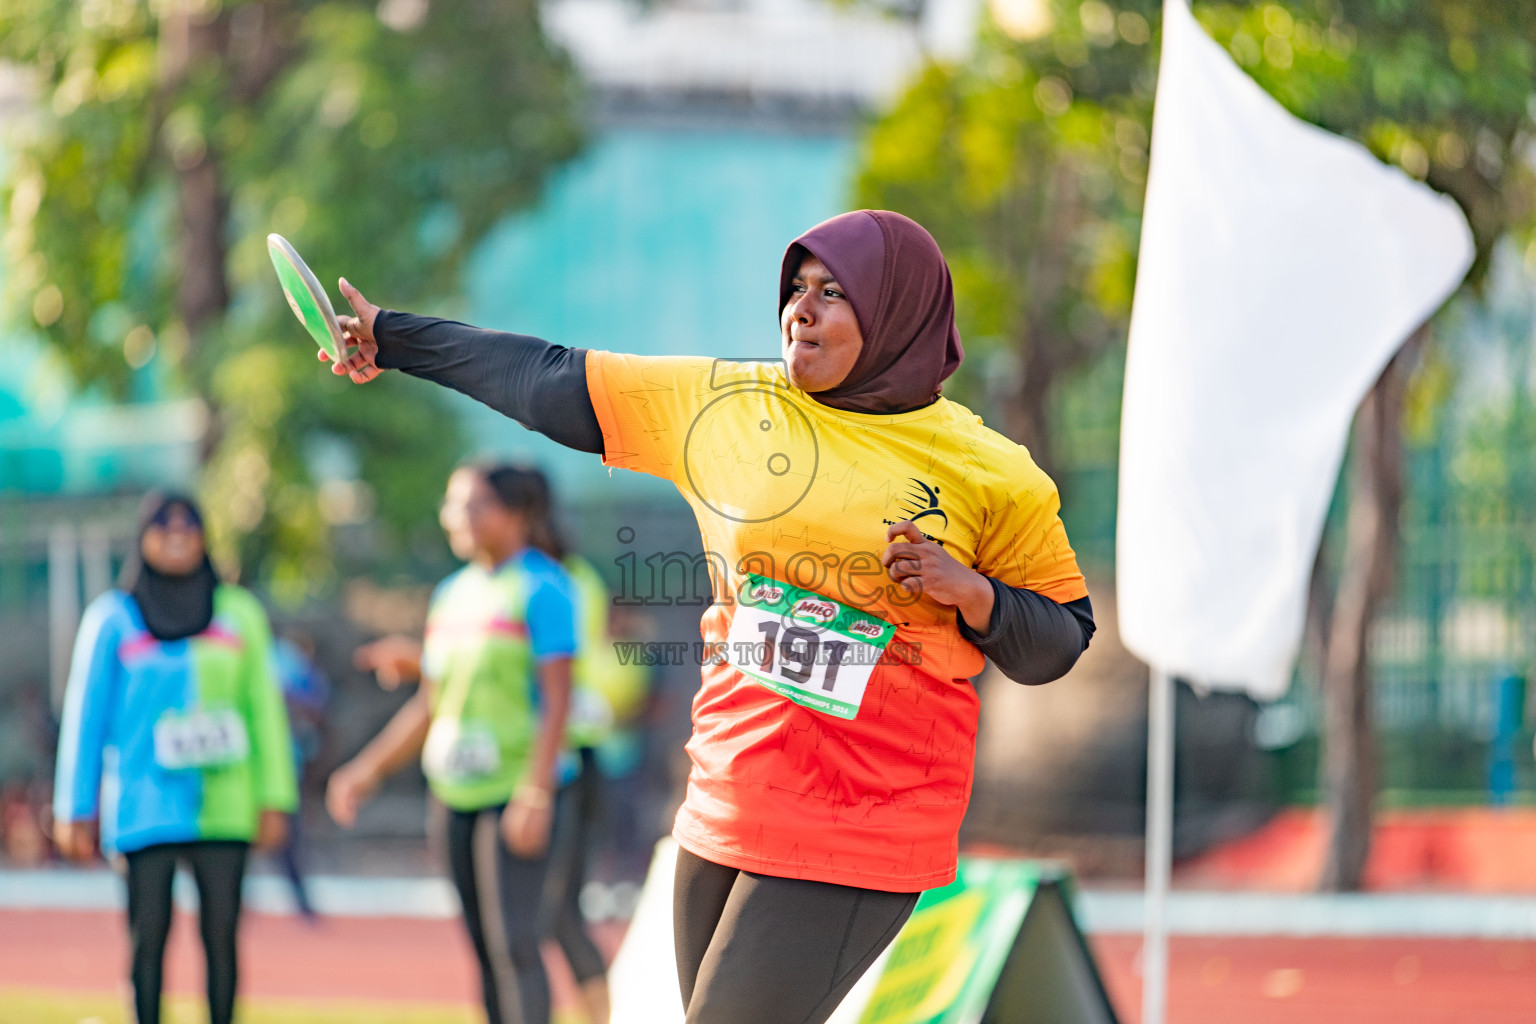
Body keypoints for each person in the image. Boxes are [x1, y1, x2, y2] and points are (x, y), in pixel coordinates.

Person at [322, 210, 1095, 1023]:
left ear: (899, 310)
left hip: (865, 817)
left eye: (833, 293)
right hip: (728, 796)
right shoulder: (726, 403)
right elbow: (549, 378)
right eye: (796, 289)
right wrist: (395, 337)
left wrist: (971, 592)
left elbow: (1059, 639)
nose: (802, 308)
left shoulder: (992, 473)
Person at [328, 463, 577, 1024]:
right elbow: (431, 701)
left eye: (471, 506)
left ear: (515, 515)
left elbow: (558, 701)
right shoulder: (451, 594)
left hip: (515, 792)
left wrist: (534, 794)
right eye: (451, 506)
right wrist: (364, 771)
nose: (454, 519)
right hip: (454, 793)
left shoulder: (543, 587)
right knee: (484, 950)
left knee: (516, 945)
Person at [53, 493, 296, 1024]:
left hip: (225, 806)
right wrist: (74, 805)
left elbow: (264, 712)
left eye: (189, 524)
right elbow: (86, 717)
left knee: (223, 937)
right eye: (163, 526)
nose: (177, 535)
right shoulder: (113, 618)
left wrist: (275, 797)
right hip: (145, 805)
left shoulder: (239, 614)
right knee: (147, 936)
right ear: (142, 538)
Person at [271, 631, 331, 921]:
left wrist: (286, 699)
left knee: (290, 835)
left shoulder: (288, 658)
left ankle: (303, 902)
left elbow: (316, 705)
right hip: (239, 767)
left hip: (285, 761)